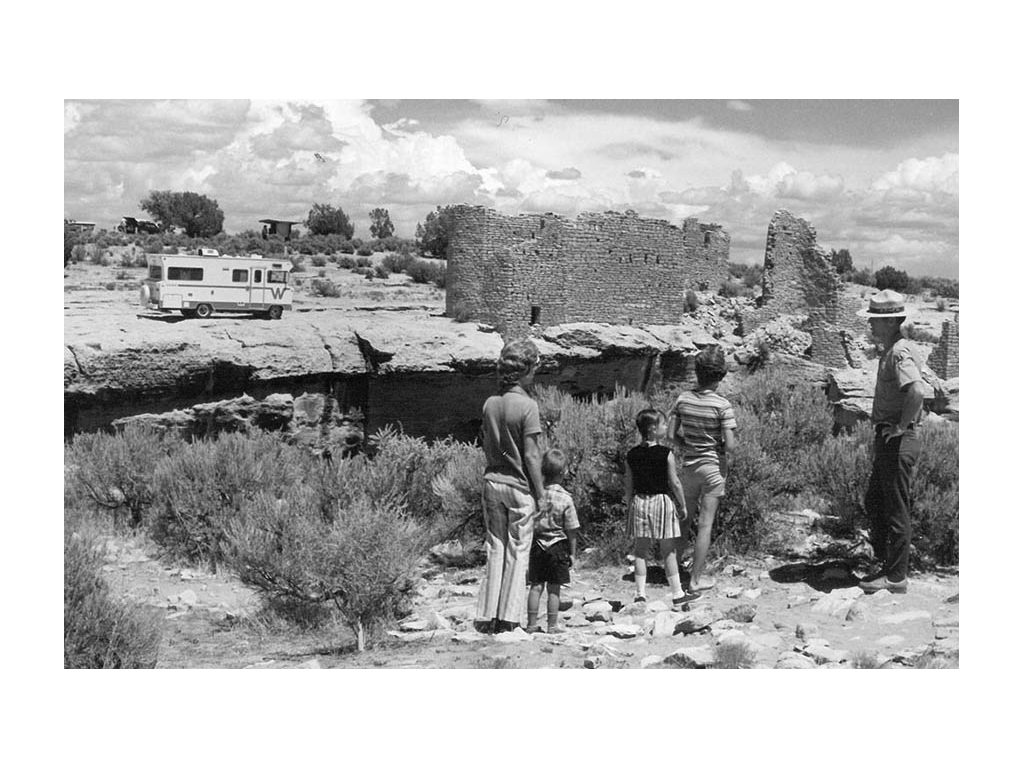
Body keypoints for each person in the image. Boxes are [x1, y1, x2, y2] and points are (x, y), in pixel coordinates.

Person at [857, 290, 929, 594]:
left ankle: (896, 576)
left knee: (896, 508)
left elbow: (917, 391)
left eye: (875, 319)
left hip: (899, 439)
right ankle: (887, 564)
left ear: (889, 322)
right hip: (890, 437)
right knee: (877, 501)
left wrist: (901, 426)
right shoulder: (892, 349)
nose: (871, 324)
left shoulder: (900, 351)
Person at [476, 339, 546, 633]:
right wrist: (541, 494)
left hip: (492, 481)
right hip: (518, 487)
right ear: (527, 371)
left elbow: (486, 443)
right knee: (518, 550)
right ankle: (509, 618)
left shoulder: (490, 404)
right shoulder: (528, 406)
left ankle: (487, 615)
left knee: (496, 547)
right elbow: (531, 455)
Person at [668, 345, 737, 593]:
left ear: (697, 373)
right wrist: (718, 446)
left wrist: (687, 445)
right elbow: (730, 446)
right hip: (713, 468)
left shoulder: (683, 399)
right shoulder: (722, 405)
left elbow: (670, 434)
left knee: (683, 520)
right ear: (720, 375)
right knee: (705, 525)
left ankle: (674, 574)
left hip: (689, 466)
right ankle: (696, 580)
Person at [625, 409, 695, 607]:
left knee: (640, 550)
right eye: (664, 425)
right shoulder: (666, 454)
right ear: (653, 429)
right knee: (668, 551)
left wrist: (629, 502)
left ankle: (640, 593)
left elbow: (629, 482)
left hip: (639, 501)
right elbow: (675, 483)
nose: (666, 428)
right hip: (662, 503)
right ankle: (677, 593)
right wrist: (682, 505)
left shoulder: (632, 454)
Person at [525, 449, 580, 634]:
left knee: (536, 585)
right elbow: (572, 529)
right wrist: (573, 553)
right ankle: (552, 625)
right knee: (554, 589)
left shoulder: (534, 496)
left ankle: (531, 624)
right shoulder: (566, 498)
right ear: (563, 472)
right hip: (557, 546)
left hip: (537, 544)